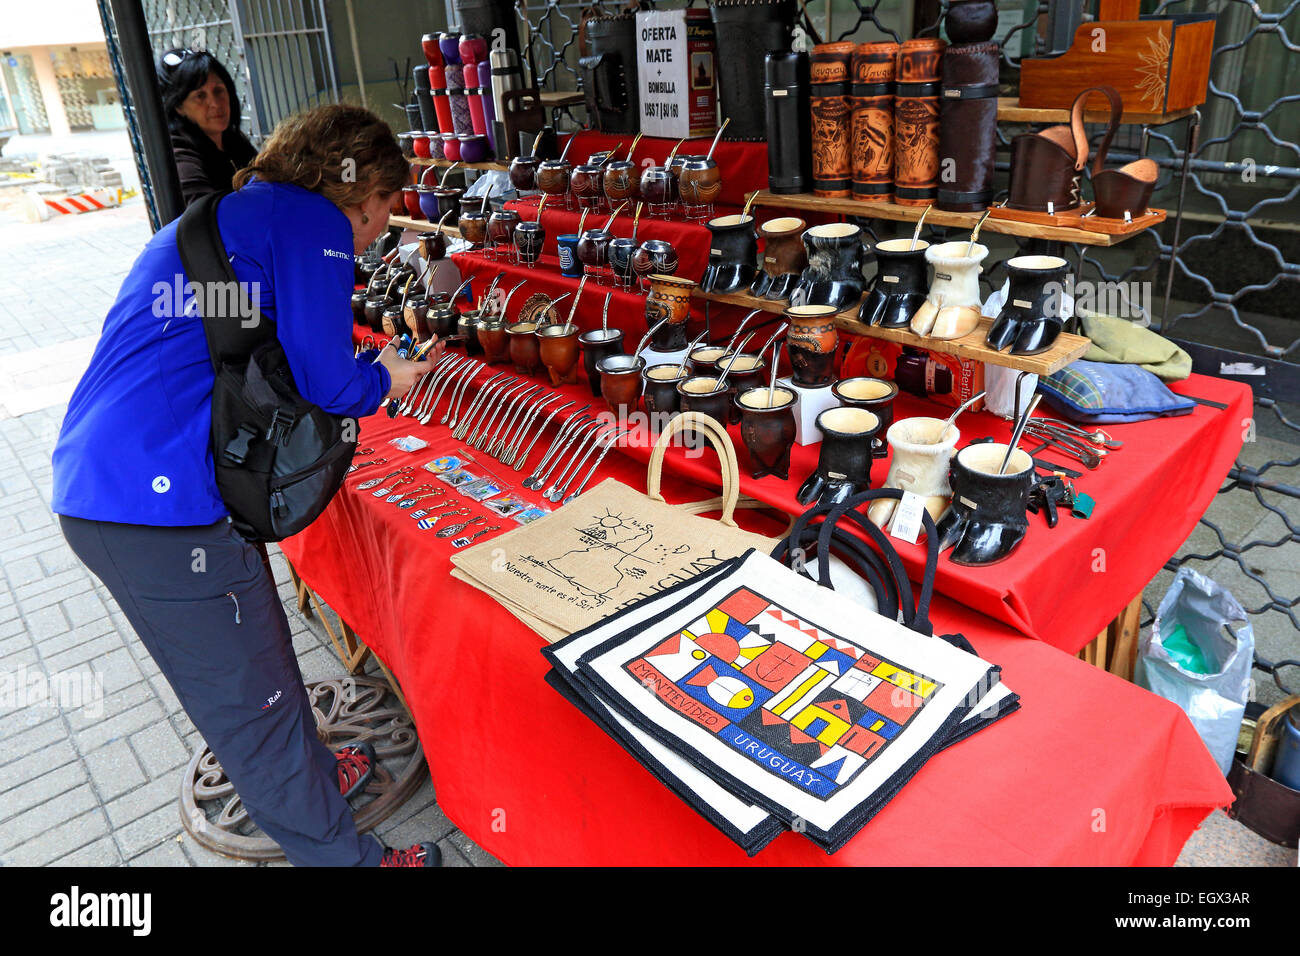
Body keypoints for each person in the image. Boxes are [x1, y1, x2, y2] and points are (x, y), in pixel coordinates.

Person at [53, 104, 443, 867]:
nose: (380, 229)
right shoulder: (312, 223)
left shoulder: (235, 215)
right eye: (384, 208)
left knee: (260, 654)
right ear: (356, 190)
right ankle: (342, 857)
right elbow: (329, 381)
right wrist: (386, 377)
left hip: (119, 480)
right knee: (251, 702)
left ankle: (319, 781)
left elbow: (244, 341)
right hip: (149, 506)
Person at [157, 48, 259, 205]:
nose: (215, 104)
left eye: (218, 91)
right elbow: (203, 214)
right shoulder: (180, 156)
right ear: (179, 107)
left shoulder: (233, 140)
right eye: (200, 96)